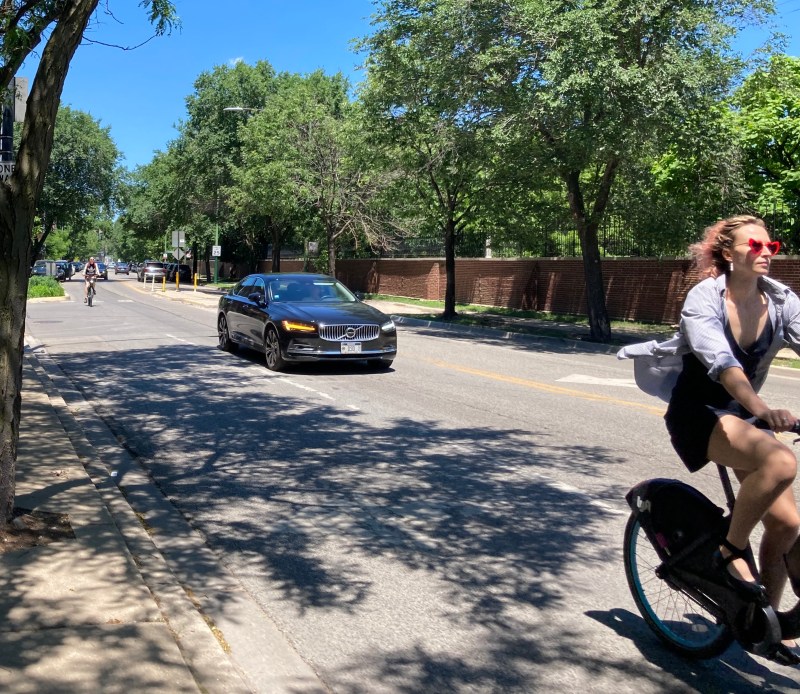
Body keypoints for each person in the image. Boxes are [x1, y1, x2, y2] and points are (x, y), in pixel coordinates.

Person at [620, 215, 800, 665]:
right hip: (699, 414)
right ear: (727, 252)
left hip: (741, 415)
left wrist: (754, 413)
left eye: (771, 246)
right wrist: (762, 410)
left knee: (788, 526)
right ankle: (729, 549)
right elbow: (722, 365)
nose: (766, 253)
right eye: (754, 245)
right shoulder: (703, 299)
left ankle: (765, 623)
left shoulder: (780, 301)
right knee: (779, 463)